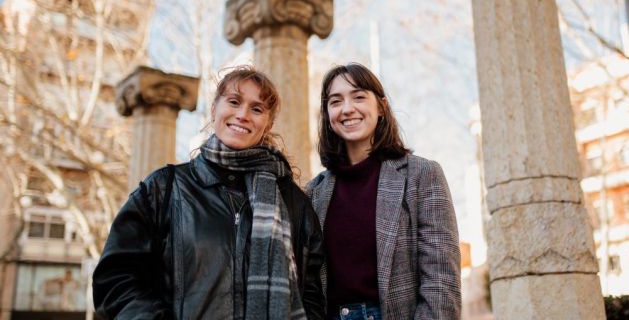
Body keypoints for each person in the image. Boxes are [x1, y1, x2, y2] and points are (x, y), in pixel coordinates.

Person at [93, 65, 326, 320]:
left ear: (268, 123)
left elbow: (312, 295)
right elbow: (116, 279)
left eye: (257, 108)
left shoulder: (294, 203)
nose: (243, 114)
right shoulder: (164, 189)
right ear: (215, 109)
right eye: (234, 102)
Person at [307, 63, 461, 320]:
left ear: (381, 107)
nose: (347, 109)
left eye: (358, 97)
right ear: (327, 114)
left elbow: (441, 281)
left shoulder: (422, 175)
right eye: (335, 101)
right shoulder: (314, 192)